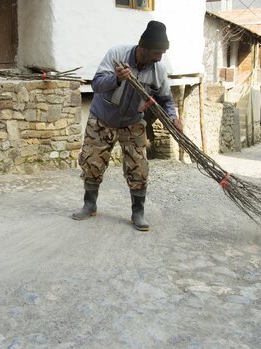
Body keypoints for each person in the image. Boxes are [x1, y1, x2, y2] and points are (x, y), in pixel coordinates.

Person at [72, 21, 183, 231]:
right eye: (157, 52)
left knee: (139, 167)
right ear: (143, 48)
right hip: (102, 117)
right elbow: (96, 84)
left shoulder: (158, 69)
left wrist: (172, 116)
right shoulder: (117, 55)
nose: (159, 57)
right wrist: (116, 79)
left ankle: (138, 213)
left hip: (133, 122)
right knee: (92, 161)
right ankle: (89, 205)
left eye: (162, 53)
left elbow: (166, 99)